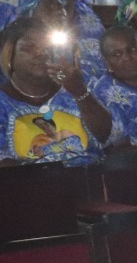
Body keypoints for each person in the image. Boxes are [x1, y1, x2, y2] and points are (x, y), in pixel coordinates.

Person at [0, 17, 113, 165]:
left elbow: (105, 135)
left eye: (47, 48)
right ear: (9, 56)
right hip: (30, 185)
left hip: (89, 180)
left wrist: (79, 91)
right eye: (29, 48)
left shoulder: (73, 86)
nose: (41, 54)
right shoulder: (3, 101)